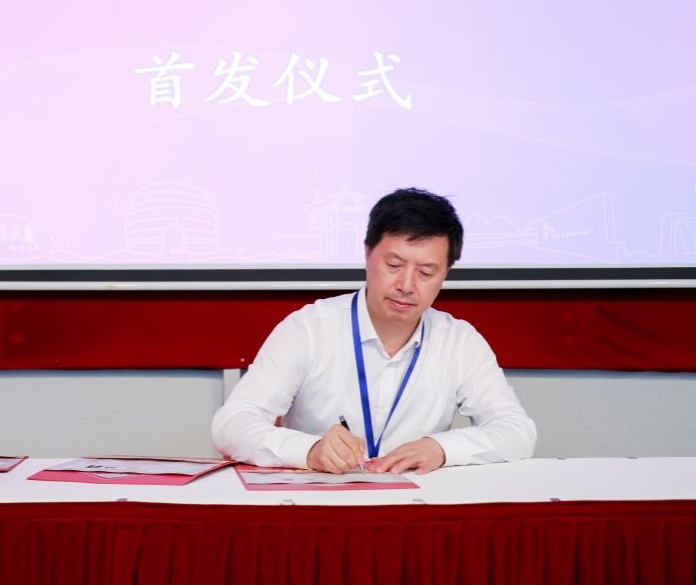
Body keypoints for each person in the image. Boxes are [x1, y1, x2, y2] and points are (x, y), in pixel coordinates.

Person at [212, 188, 537, 474]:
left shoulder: (459, 341)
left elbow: (517, 431)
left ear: (445, 274)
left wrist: (441, 449)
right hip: (318, 503)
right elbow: (232, 425)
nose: (406, 285)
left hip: (417, 509)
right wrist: (309, 451)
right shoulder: (309, 328)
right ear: (367, 253)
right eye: (394, 266)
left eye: (426, 272)